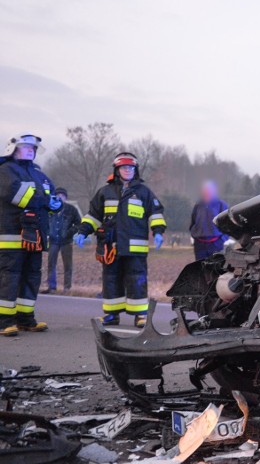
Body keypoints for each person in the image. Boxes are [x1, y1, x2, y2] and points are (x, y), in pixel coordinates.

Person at [74, 152, 167, 328]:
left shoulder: (143, 192)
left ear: (136, 170)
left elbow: (156, 214)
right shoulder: (105, 192)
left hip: (135, 247)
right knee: (111, 279)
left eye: (131, 167)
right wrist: (83, 231)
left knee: (137, 280)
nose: (128, 170)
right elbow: (94, 216)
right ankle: (111, 315)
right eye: (124, 167)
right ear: (117, 170)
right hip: (111, 246)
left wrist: (158, 232)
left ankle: (140, 315)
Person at [0, 134, 61, 337]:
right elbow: (18, 196)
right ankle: (4, 321)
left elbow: (51, 195)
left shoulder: (38, 173)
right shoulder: (6, 170)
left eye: (33, 148)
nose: (31, 150)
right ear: (13, 148)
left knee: (32, 276)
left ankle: (26, 319)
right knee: (10, 276)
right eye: (26, 146)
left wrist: (56, 204)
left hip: (36, 235)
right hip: (11, 235)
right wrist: (45, 199)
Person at [43, 187, 80, 293]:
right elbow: (44, 222)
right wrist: (47, 233)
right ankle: (52, 287)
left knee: (68, 265)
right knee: (51, 264)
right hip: (53, 240)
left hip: (66, 241)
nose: (60, 197)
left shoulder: (72, 209)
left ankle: (67, 288)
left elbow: (79, 223)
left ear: (66, 197)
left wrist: (70, 232)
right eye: (58, 195)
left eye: (62, 196)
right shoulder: (49, 209)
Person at [189, 180, 228, 260]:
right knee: (201, 269)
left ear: (214, 191)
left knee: (216, 269)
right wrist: (194, 235)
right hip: (199, 245)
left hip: (216, 244)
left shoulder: (221, 205)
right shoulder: (198, 205)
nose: (206, 192)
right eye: (205, 190)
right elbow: (193, 222)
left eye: (209, 190)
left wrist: (222, 239)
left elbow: (228, 225)